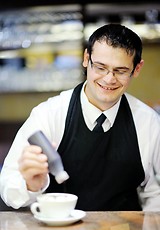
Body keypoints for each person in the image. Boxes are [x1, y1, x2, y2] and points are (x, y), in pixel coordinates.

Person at [0, 23, 160, 211]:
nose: (109, 79)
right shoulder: (49, 114)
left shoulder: (149, 122)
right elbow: (8, 189)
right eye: (100, 67)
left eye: (121, 71)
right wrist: (30, 184)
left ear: (137, 69)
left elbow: (155, 194)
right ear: (86, 59)